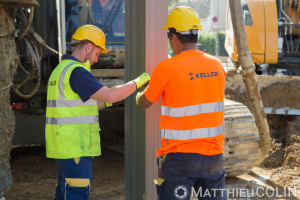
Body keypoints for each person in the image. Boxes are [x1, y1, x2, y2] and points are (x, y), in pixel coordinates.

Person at [45, 24, 150, 200]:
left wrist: (112, 102)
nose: (95, 59)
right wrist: (138, 82)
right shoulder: (77, 72)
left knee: (63, 192)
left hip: (63, 148)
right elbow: (109, 95)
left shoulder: (60, 70)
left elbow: (78, 107)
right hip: (75, 148)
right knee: (76, 194)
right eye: (96, 53)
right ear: (88, 47)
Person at [136, 6, 227, 200]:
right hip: (214, 157)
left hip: (180, 159)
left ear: (174, 37)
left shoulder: (166, 68)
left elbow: (146, 102)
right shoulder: (217, 66)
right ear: (196, 34)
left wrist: (137, 95)